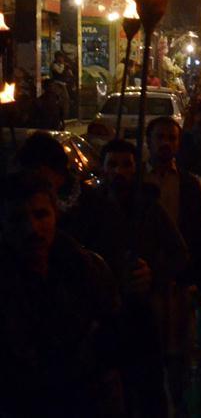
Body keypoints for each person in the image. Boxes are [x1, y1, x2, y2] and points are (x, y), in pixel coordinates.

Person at [65, 138, 188, 416]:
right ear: (103, 169)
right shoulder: (88, 210)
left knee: (146, 389)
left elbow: (179, 255)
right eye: (113, 165)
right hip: (101, 316)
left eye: (126, 165)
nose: (119, 172)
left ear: (136, 169)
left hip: (142, 313)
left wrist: (153, 274)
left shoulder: (148, 208)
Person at [0, 173, 123, 417]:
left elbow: (113, 337)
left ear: (55, 213)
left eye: (41, 215)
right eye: (18, 219)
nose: (32, 228)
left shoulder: (86, 268)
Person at [145, 116, 201, 296]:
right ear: (148, 141)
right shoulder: (137, 180)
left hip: (180, 276)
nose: (165, 143)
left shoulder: (189, 183)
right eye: (160, 137)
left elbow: (200, 233)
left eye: (171, 138)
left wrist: (200, 280)